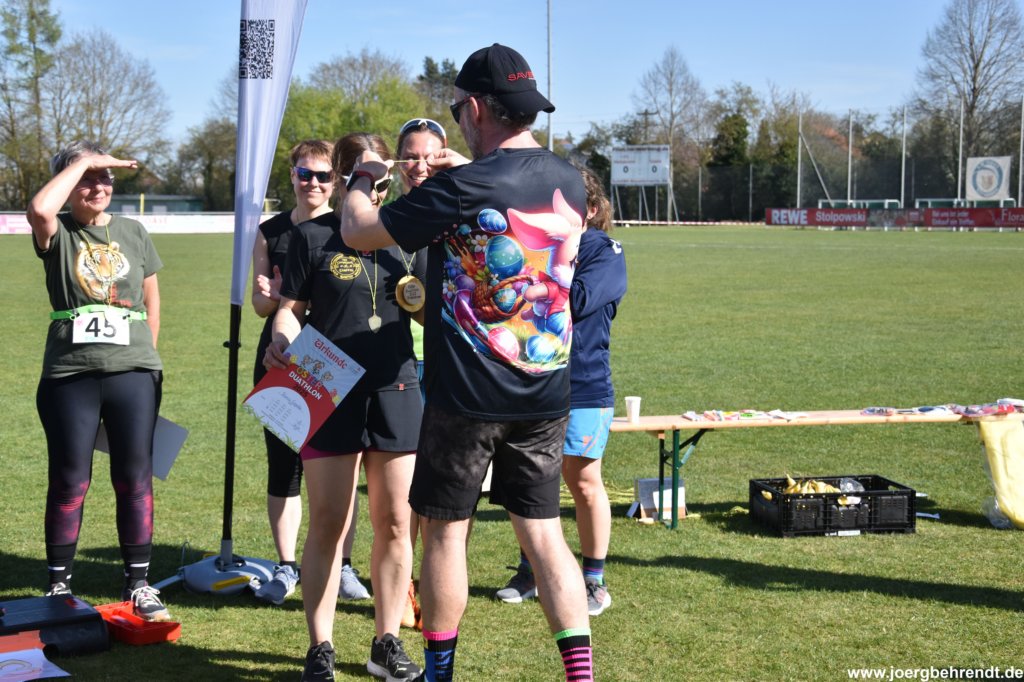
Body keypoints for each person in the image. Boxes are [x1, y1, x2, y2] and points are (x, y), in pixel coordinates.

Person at [341, 44, 595, 682]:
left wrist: (361, 179)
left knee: (447, 534)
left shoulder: (464, 185)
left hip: (467, 398)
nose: (457, 121)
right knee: (545, 536)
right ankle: (581, 675)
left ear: (477, 108)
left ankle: (439, 672)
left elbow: (358, 231)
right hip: (546, 392)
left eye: (457, 111)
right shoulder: (568, 178)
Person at [265, 132, 425, 682]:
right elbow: (290, 310)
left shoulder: (410, 235)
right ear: (343, 176)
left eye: (380, 171)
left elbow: (428, 312)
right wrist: (281, 338)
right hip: (326, 384)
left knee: (396, 521)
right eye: (361, 171)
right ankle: (321, 646)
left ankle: (386, 642)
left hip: (396, 385)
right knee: (330, 522)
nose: (372, 181)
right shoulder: (311, 236)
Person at [26, 140, 170, 622]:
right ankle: (59, 584)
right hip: (71, 374)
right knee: (71, 479)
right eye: (86, 178)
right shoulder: (57, 230)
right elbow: (40, 208)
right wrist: (85, 161)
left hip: (133, 372)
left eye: (104, 177)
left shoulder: (133, 230)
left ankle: (138, 583)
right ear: (67, 183)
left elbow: (151, 301)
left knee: (134, 477)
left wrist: (146, 359)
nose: (98, 186)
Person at [496, 167, 627, 618]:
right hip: (533, 381)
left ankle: (593, 580)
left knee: (584, 482)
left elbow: (580, 300)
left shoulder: (604, 251)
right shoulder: (535, 247)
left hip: (584, 385)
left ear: (590, 209)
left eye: (573, 204)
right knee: (530, 481)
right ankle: (531, 569)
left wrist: (545, 275)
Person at [250, 139, 372, 605]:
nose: (313, 184)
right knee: (284, 465)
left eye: (323, 176)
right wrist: (275, 297)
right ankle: (287, 565)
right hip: (283, 355)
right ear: (292, 175)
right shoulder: (271, 231)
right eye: (305, 174)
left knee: (341, 467)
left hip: (334, 357)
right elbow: (262, 304)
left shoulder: (349, 227)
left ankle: (343, 564)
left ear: (337, 181)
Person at [393, 116, 449, 631]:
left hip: (448, 367)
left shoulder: (457, 215)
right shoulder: (384, 221)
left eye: (430, 155)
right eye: (411, 155)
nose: (420, 164)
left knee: (440, 484)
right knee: (405, 487)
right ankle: (403, 582)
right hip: (397, 369)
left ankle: (436, 579)